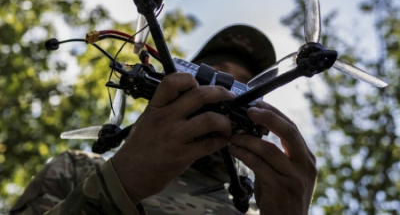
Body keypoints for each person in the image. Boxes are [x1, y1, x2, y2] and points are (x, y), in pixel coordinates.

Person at [10, 24, 317, 215]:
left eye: (243, 84)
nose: (226, 90)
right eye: (216, 72)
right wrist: (121, 182)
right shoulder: (77, 169)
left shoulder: (258, 210)